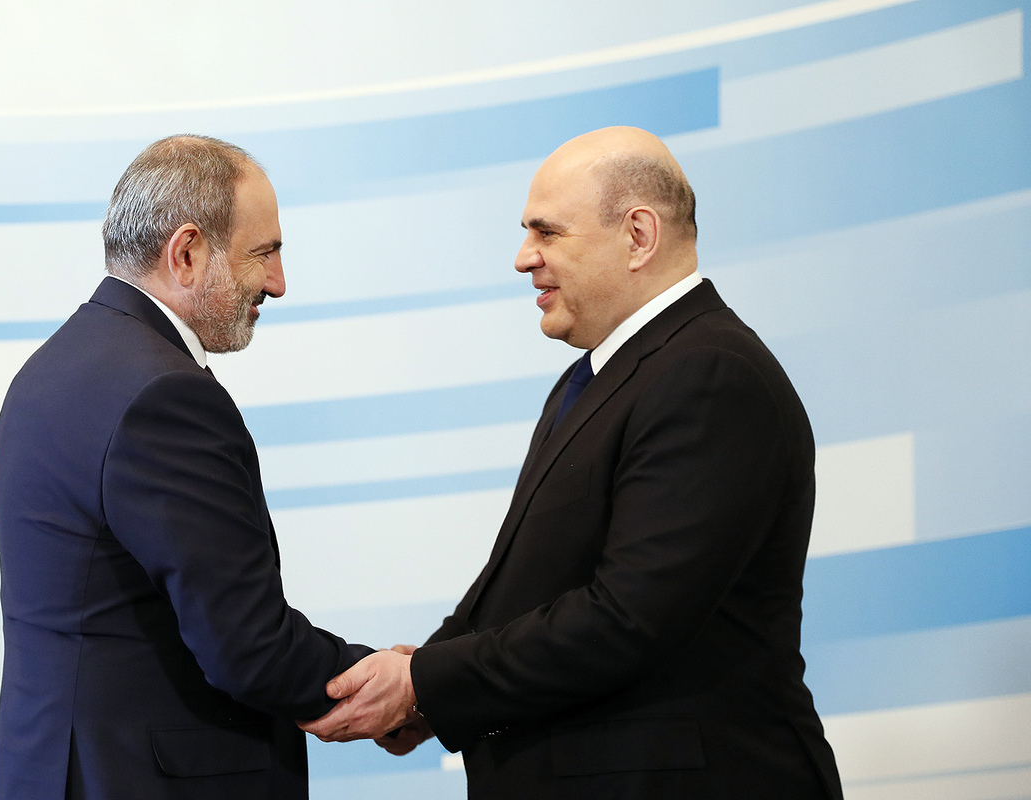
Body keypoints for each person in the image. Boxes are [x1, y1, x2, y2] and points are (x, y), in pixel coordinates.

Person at [301, 127, 844, 799]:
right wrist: (427, 681)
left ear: (638, 236)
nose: (523, 258)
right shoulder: (596, 378)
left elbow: (627, 619)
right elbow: (535, 585)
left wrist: (424, 684)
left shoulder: (710, 374)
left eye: (548, 233)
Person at [0, 135, 370, 800]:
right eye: (264, 252)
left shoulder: (51, 368)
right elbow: (248, 648)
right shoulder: (165, 395)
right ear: (187, 253)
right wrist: (401, 687)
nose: (278, 283)